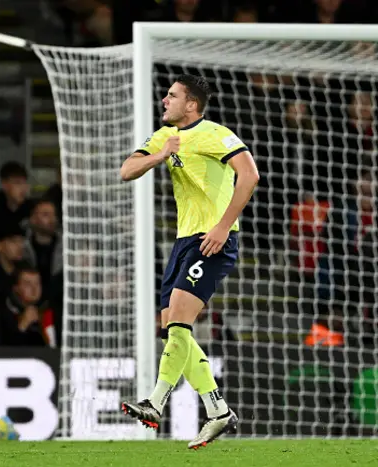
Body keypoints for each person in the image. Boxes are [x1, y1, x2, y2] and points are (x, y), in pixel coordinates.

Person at [119, 74, 259, 448]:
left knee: (177, 319)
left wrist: (222, 227)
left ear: (191, 104)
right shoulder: (164, 138)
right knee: (173, 327)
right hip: (184, 242)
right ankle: (218, 410)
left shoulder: (215, 133)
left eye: (172, 95)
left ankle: (155, 401)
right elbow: (126, 170)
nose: (164, 100)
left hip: (213, 240)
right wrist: (162, 154)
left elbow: (249, 175)